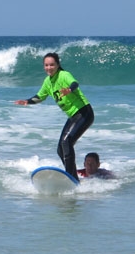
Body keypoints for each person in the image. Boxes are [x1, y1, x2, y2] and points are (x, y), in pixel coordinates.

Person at [15, 52, 94, 181]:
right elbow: (40, 97)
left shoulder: (64, 75)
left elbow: (75, 83)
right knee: (60, 149)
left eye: (52, 65)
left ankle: (71, 178)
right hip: (73, 116)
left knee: (66, 142)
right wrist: (27, 101)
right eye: (46, 65)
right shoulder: (48, 82)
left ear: (57, 64)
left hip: (84, 112)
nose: (49, 68)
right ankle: (74, 178)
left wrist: (69, 90)